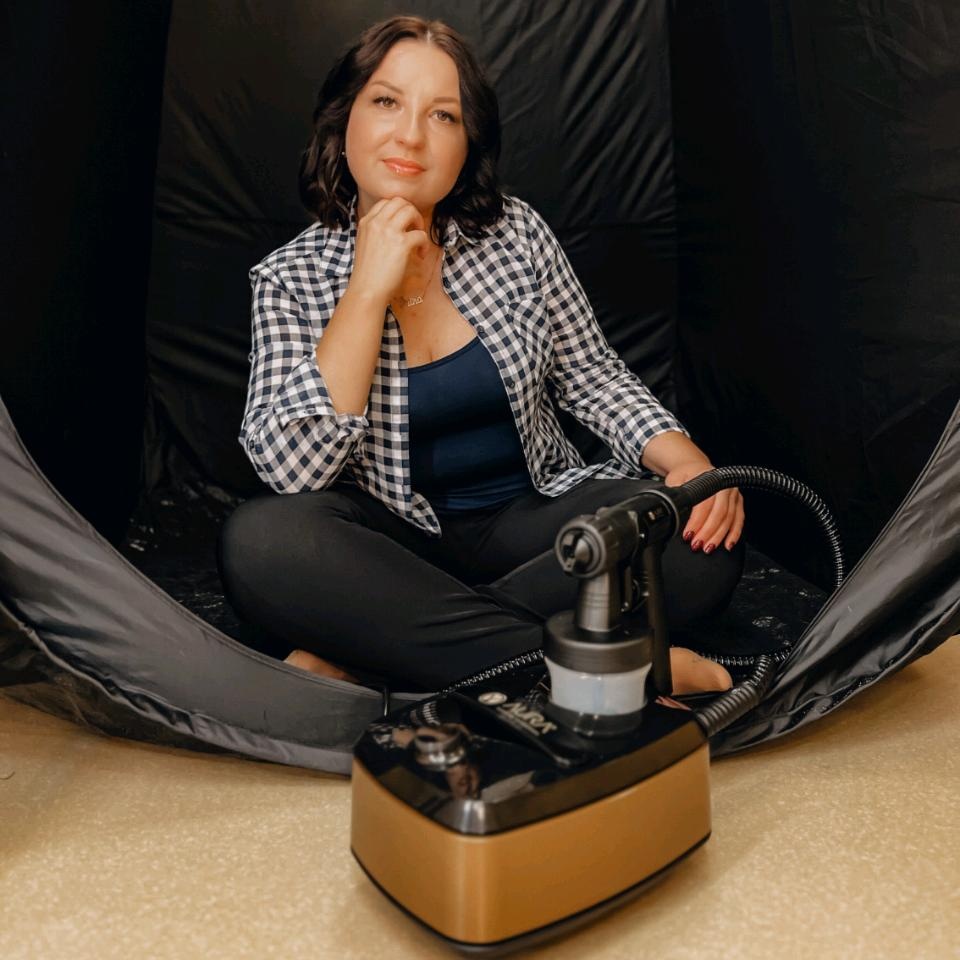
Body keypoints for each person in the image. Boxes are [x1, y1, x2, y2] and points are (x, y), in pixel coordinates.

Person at [217, 15, 745, 695]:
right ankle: (611, 670)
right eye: (386, 101)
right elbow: (297, 470)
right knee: (264, 542)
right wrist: (366, 289)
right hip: (389, 549)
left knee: (693, 537)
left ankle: (378, 652)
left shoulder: (516, 235)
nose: (411, 135)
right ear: (343, 122)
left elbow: (591, 374)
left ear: (467, 145)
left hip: (535, 528)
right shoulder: (289, 278)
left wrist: (689, 466)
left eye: (443, 115)